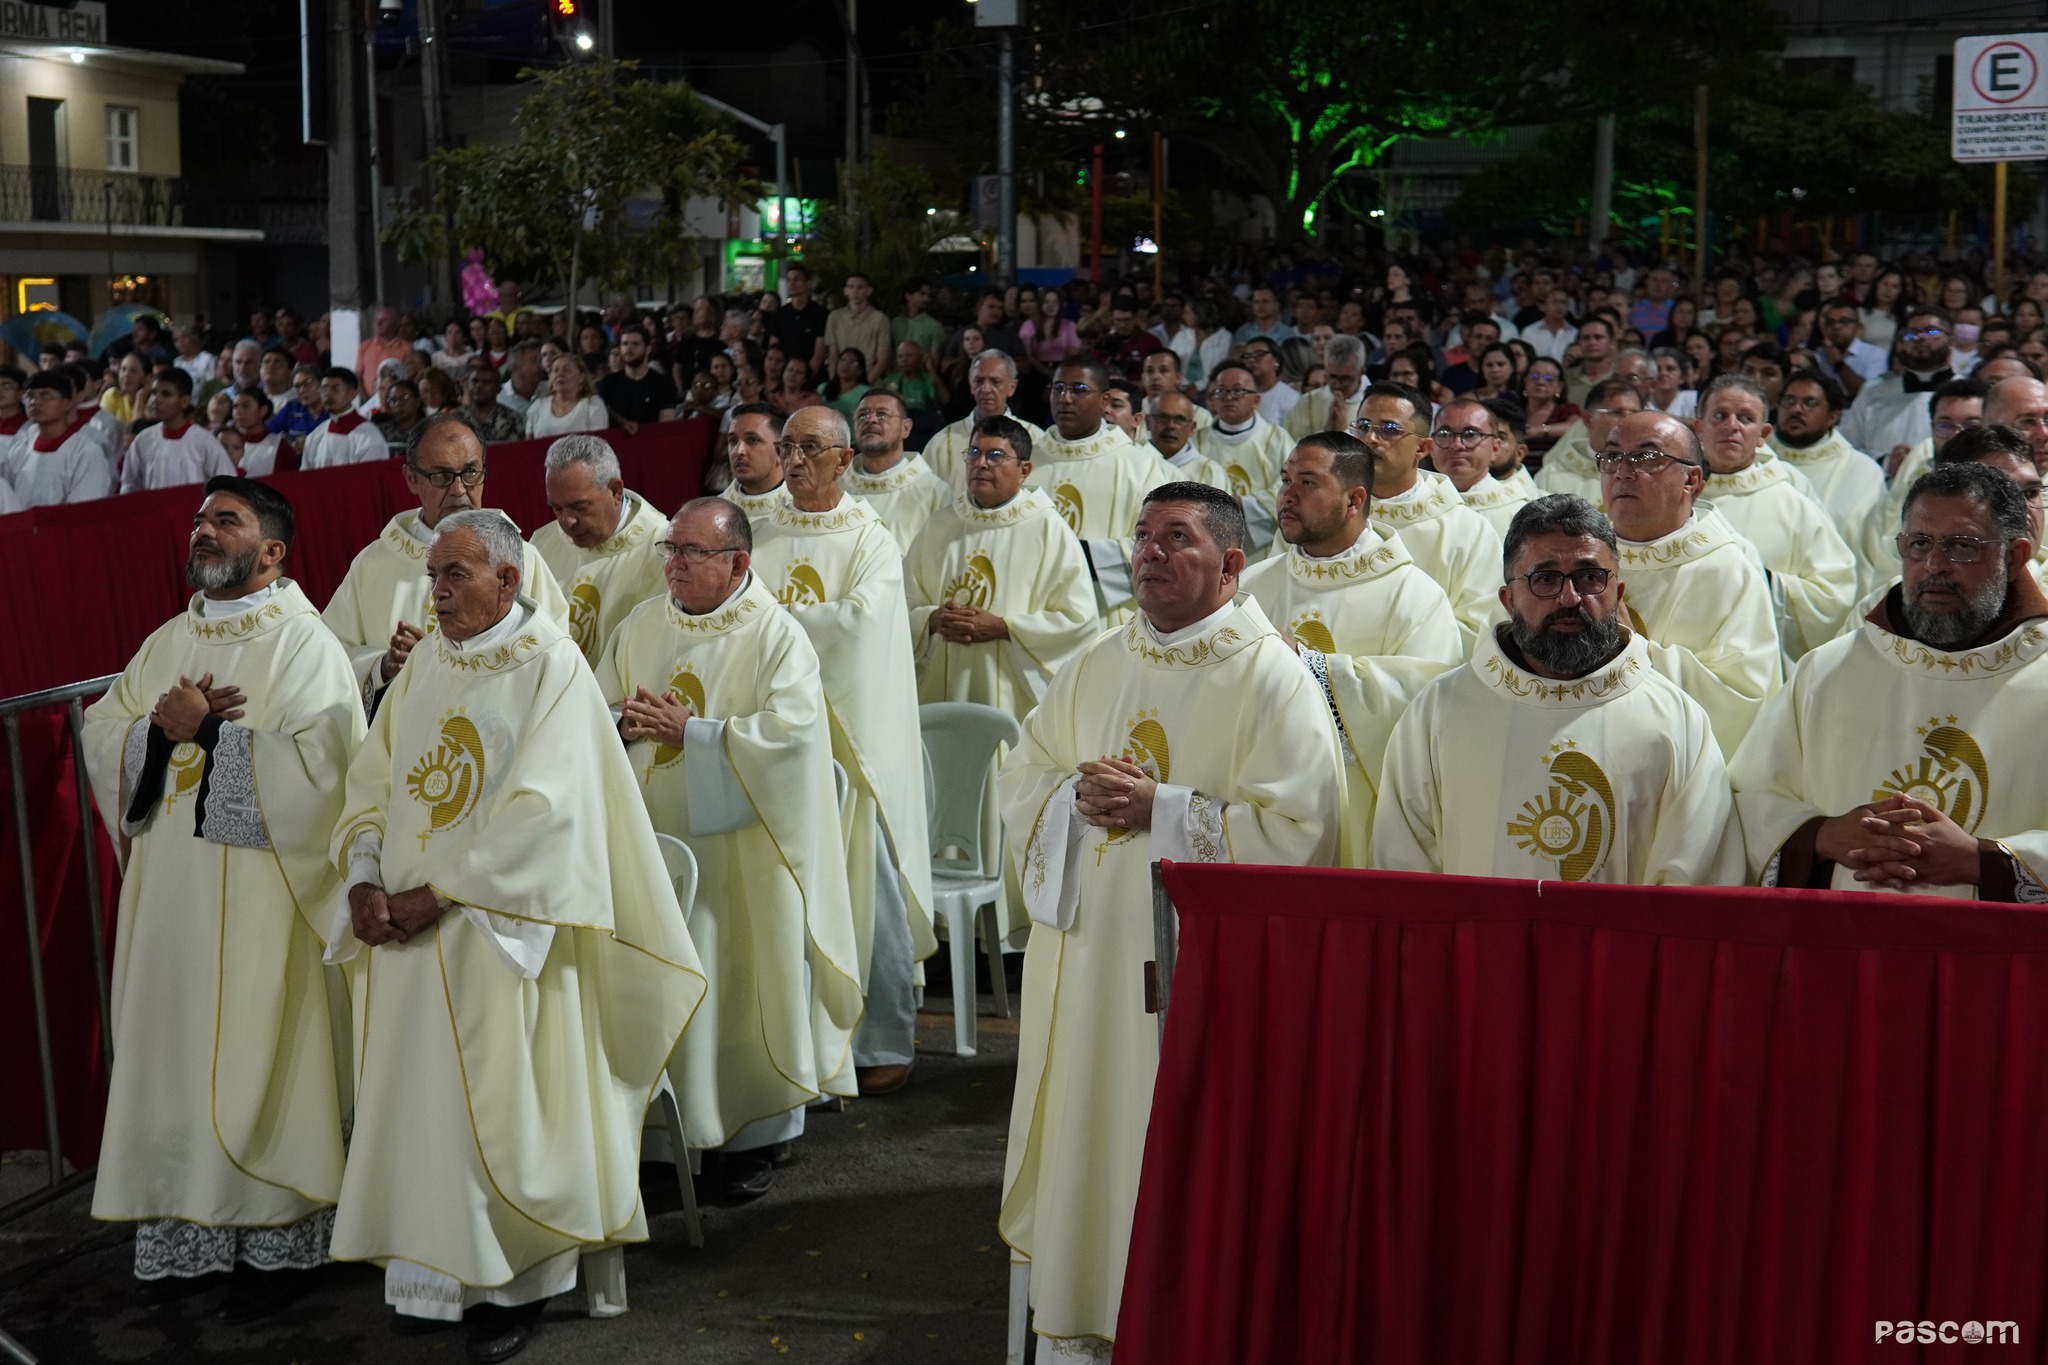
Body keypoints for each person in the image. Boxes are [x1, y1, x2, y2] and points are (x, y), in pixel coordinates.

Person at [327, 508, 703, 1357]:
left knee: (504, 1110)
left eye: (455, 575)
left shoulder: (552, 667)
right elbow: (373, 781)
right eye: (433, 575)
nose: (437, 591)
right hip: (404, 930)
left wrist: (441, 894)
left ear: (508, 578)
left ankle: (513, 1280)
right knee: (418, 1108)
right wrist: (363, 876)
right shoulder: (428, 661)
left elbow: (548, 808)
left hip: (503, 932)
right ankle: (430, 1275)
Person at [998, 482, 1342, 1360]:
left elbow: (1303, 831)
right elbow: (1025, 772)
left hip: (1198, 982)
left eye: (1177, 537)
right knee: (1091, 1133)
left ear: (1230, 564)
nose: (1150, 551)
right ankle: (1082, 1320)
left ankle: (1180, 1326)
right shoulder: (1097, 659)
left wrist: (1165, 808)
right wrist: (1071, 797)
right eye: (1143, 534)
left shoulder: (1271, 676)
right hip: (1088, 964)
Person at [80, 477, 362, 1323]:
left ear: (271, 550)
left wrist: (210, 734)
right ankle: (187, 1233)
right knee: (174, 1052)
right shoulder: (169, 638)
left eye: (225, 520)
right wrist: (155, 732)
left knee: (263, 1054)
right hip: (172, 898)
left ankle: (277, 1237)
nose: (203, 529)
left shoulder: (306, 645)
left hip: (267, 903)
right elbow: (105, 733)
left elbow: (326, 777)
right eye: (201, 518)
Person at [594, 496, 864, 1200]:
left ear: (738, 562)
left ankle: (753, 1136)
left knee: (737, 981)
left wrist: (696, 735)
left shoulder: (777, 636)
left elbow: (793, 739)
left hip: (743, 858)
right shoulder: (641, 624)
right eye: (670, 550)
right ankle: (664, 1141)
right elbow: (595, 711)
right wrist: (623, 720)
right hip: (652, 843)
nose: (674, 565)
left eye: (692, 552)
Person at [1376, 493, 1743, 882]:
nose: (1570, 598)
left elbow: (1697, 878)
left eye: (1590, 577)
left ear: (1618, 593)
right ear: (1509, 600)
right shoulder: (1440, 710)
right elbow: (1403, 864)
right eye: (1545, 579)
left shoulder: (1675, 718)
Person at [1731, 462, 2048, 897]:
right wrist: (1821, 835)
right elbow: (1746, 800)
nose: (1934, 565)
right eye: (1918, 544)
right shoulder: (1828, 671)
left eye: (1962, 546)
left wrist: (1983, 860)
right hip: (1844, 931)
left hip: (1993, 939)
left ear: (2014, 557)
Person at [748, 406, 934, 1096]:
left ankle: (881, 1036)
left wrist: (773, 625)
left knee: (868, 884)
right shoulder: (758, 534)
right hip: (774, 741)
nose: (794, 460)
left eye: (809, 448)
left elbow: (859, 627)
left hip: (850, 746)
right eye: (787, 447)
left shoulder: (870, 539)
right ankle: (790, 1042)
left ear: (844, 459)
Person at [1241, 431, 1461, 864]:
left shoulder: (1415, 597)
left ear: (1354, 499)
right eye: (1285, 480)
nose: (1287, 495)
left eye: (1308, 482)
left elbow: (1426, 709)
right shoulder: (1252, 585)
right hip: (1263, 815)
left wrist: (1308, 666)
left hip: (1360, 817)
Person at [323, 415, 569, 709]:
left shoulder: (521, 557)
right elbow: (328, 654)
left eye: (471, 472)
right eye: (441, 476)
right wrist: (384, 665)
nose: (459, 489)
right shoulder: (375, 563)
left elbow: (555, 656)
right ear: (411, 478)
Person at [1600, 409, 1781, 754]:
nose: (1622, 471)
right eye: (1611, 456)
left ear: (1692, 480)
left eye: (1646, 457)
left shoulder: (1729, 570)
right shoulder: (1582, 562)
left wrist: (1634, 651)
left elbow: (1742, 699)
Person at [903, 415, 1097, 721]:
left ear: (1024, 470)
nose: (981, 464)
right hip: (941, 684)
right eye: (974, 453)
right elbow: (903, 602)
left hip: (1012, 692)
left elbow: (1079, 620)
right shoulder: (940, 524)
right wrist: (932, 619)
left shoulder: (1048, 530)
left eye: (995, 456)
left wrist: (1005, 627)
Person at [1694, 374, 1860, 660]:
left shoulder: (1792, 503)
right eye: (1720, 415)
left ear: (1763, 434)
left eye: (1745, 419)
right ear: (1699, 427)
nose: (1731, 426)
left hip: (1761, 658)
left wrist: (1768, 582)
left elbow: (1835, 594)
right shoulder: (1673, 494)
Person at [1356, 381, 1506, 654]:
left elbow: (1478, 627)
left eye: (1389, 429)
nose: (1371, 439)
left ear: (1422, 448)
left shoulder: (1469, 530)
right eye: (1363, 426)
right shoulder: (1330, 512)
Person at [1027, 356, 1170, 626]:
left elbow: (1158, 543)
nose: (1065, 398)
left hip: (1106, 613)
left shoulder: (1138, 466)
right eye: (1058, 388)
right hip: (1034, 611)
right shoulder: (1028, 461)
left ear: (1104, 401)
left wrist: (1081, 554)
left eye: (1078, 389)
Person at [532, 434, 669, 663]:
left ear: (615, 491)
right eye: (557, 509)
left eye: (580, 507)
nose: (567, 522)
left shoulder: (663, 550)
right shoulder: (542, 542)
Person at [1767, 367, 1889, 574]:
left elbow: (1872, 549)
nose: (1796, 409)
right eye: (1789, 400)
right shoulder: (1754, 460)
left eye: (1810, 403)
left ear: (1833, 416)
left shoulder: (1862, 472)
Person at [1194, 359, 1291, 548]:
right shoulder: (1196, 440)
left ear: (1256, 400)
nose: (1229, 397)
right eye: (1220, 391)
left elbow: (1290, 489)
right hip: (1206, 539)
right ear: (1211, 400)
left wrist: (1242, 504)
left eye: (1238, 391)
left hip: (1263, 546)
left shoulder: (1277, 439)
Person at [841, 388, 951, 554]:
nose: (870, 420)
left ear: (905, 428)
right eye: (862, 415)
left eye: (882, 414)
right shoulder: (836, 485)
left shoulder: (934, 492)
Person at [1840, 308, 1954, 459]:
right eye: (1911, 334)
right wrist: (1886, 461)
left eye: (1932, 332)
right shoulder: (1873, 393)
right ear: (1899, 344)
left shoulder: (1971, 394)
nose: (1921, 338)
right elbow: (1848, 447)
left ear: (1952, 341)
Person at [924, 352, 1045, 487]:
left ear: (1012, 387)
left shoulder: (1035, 439)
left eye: (995, 382)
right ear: (971, 386)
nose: (986, 389)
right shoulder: (941, 442)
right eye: (979, 381)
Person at [2, 369, 112, 505]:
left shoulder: (85, 452)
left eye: (46, 396)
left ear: (66, 404)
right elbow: (6, 500)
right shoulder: (19, 449)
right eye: (30, 396)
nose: (35, 402)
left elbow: (84, 507)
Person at [118, 369, 235, 494]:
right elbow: (130, 485)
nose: (156, 399)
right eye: (154, 393)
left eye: (166, 394)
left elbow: (227, 486)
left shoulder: (205, 442)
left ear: (184, 401)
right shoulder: (143, 440)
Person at [1432, 395, 1535, 536]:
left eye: (1470, 434)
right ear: (1431, 446)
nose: (1457, 444)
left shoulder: (1521, 513)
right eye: (1445, 434)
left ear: (1495, 448)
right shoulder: (1417, 506)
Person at [1534, 375, 1639, 505]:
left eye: (1635, 414)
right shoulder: (1551, 476)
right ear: (1588, 419)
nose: (1628, 422)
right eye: (1617, 413)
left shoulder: (1648, 474)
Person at [718, 401, 792, 527]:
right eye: (733, 441)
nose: (738, 451)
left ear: (782, 450)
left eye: (752, 440)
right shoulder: (715, 511)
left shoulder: (802, 511)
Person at [595, 324, 678, 436]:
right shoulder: (608, 383)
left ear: (648, 349)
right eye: (625, 344)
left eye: (635, 344)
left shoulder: (664, 384)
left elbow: (666, 427)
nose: (629, 348)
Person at [1281, 333, 1369, 437]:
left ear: (1361, 372)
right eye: (1332, 376)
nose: (1337, 385)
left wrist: (1342, 433)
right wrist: (1326, 431)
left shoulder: (1374, 404)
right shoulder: (1306, 403)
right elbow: (1288, 443)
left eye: (1345, 378)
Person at [299, 367, 387, 468]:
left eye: (336, 389)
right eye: (324, 388)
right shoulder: (314, 436)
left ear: (353, 394)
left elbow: (372, 475)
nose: (328, 394)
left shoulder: (369, 437)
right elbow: (306, 474)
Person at [1144, 390, 1230, 488]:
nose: (1171, 425)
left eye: (1179, 420)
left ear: (1192, 428)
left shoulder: (1211, 472)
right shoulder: (1135, 461)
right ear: (1148, 422)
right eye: (1163, 418)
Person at [822, 272, 893, 380]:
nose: (855, 291)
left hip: (870, 379)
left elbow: (882, 359)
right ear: (845, 291)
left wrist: (864, 384)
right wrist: (833, 382)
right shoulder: (835, 317)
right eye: (851, 287)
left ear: (869, 291)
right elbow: (833, 355)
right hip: (841, 379)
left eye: (860, 287)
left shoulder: (880, 319)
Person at [525, 355, 609, 439]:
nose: (559, 374)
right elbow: (528, 443)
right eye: (556, 370)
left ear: (581, 377)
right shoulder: (538, 406)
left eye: (566, 370)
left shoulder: (592, 404)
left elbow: (598, 442)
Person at [458, 363, 526, 444]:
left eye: (486, 382)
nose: (478, 386)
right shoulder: (455, 417)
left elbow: (518, 449)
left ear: (498, 389)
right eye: (474, 381)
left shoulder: (512, 419)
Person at [227, 390, 289, 475]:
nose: (238, 411)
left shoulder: (280, 447)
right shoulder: (226, 443)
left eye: (245, 406)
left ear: (263, 410)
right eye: (235, 406)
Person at [1240, 339, 1300, 425]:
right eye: (1247, 356)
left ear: (1276, 361)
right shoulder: (1238, 394)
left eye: (1259, 354)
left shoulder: (1290, 398)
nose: (1251, 360)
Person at [353, 307, 411, 390]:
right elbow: (358, 376)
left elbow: (409, 376)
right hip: (368, 397)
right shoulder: (365, 346)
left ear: (395, 324)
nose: (379, 324)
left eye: (384, 320)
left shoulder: (406, 348)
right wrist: (366, 397)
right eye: (376, 320)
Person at [1232, 286, 1299, 348]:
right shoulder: (1243, 332)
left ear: (1276, 306)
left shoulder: (1287, 333)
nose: (1261, 305)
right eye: (1257, 302)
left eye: (1265, 301)